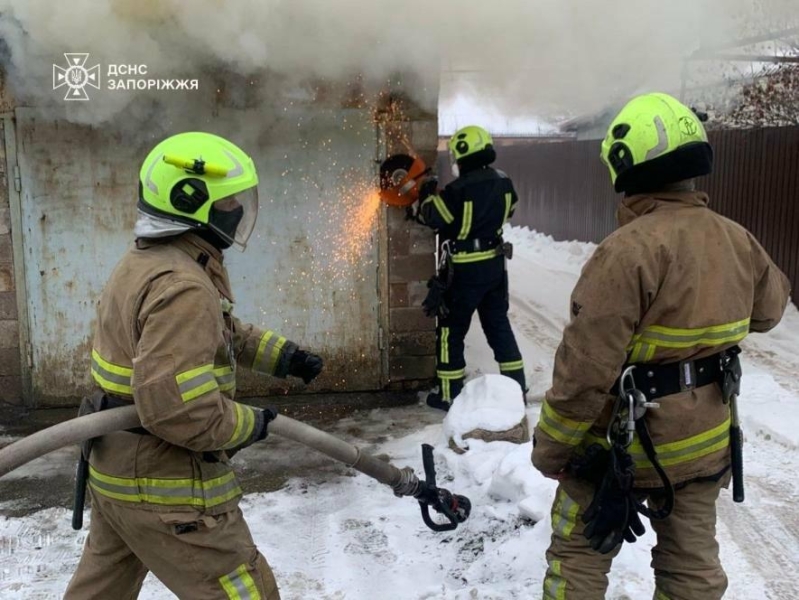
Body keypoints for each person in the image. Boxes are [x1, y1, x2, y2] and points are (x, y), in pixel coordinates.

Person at [531, 92, 791, 600]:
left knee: (578, 556)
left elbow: (584, 370)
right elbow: (769, 312)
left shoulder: (626, 252)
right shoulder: (738, 239)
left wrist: (553, 449)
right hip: (701, 446)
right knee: (692, 569)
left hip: (616, 448)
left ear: (627, 171)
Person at [64, 132, 324, 600]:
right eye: (227, 201)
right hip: (167, 488)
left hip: (118, 473)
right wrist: (251, 425)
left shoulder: (150, 263)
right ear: (190, 202)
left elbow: (220, 332)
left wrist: (284, 356)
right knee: (246, 593)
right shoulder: (183, 285)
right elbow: (178, 410)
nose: (237, 211)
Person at [413, 125, 526, 411]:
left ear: (461, 155)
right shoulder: (504, 182)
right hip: (495, 266)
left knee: (452, 330)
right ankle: (516, 388)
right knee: (499, 327)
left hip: (464, 270)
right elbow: (510, 210)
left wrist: (426, 193)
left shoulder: (457, 189)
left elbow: (432, 216)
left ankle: (449, 395)